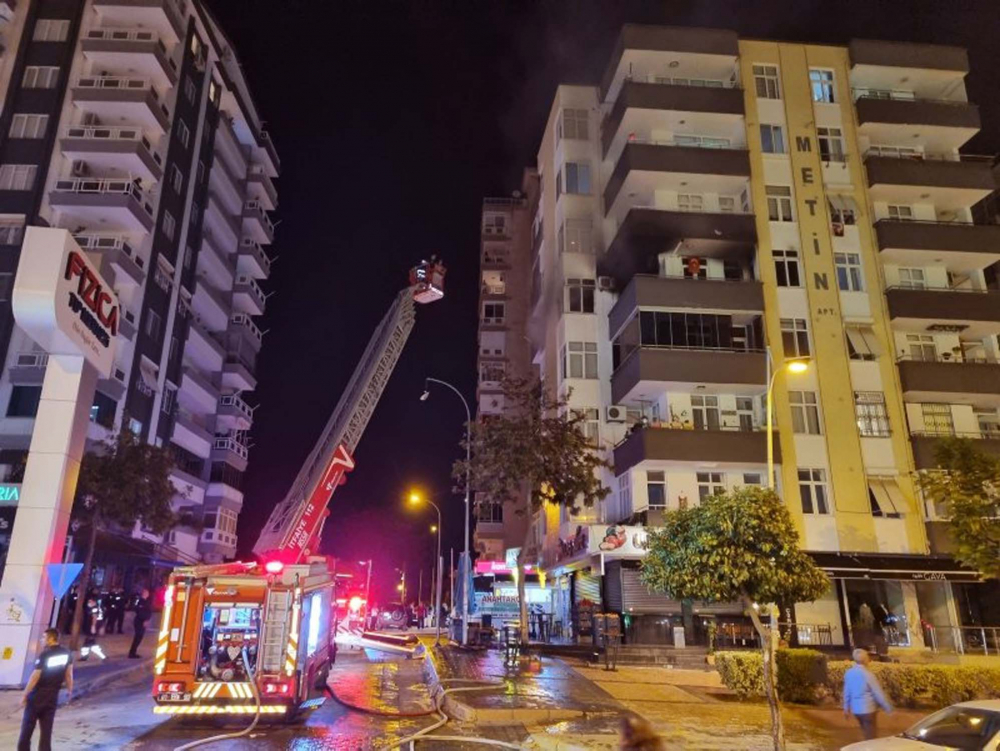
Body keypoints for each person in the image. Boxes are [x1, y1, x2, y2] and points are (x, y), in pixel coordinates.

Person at [18, 628, 73, 751]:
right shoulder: (67, 653)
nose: (41, 640)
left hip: (37, 696)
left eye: (43, 637)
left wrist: (25, 694)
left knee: (27, 728)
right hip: (52, 697)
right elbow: (69, 674)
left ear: (51, 639)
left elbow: (35, 677)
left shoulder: (45, 654)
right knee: (47, 730)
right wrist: (70, 689)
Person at [843, 648, 893, 739]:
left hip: (856, 710)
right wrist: (888, 708)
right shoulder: (868, 674)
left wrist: (846, 708)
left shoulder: (849, 674)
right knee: (871, 737)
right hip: (868, 709)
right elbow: (878, 693)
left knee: (866, 733)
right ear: (866, 660)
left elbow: (847, 692)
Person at [129, 588, 152, 659]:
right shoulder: (141, 601)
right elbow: (140, 612)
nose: (148, 594)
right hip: (140, 621)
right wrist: (144, 620)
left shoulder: (146, 601)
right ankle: (132, 653)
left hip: (143, 621)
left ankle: (133, 652)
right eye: (146, 593)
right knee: (138, 637)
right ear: (143, 593)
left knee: (139, 637)